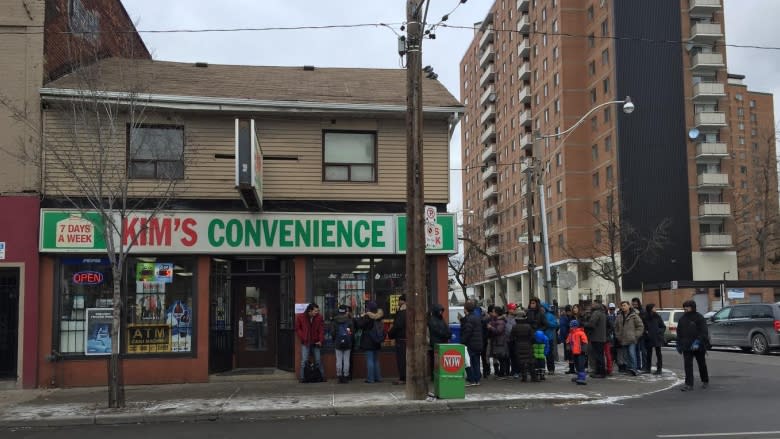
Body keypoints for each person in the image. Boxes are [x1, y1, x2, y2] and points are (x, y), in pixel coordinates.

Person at [676, 300, 710, 391]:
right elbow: (679, 332)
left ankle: (705, 380)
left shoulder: (699, 317)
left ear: (693, 307)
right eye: (684, 307)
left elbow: (704, 332)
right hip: (686, 346)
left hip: (698, 346)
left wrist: (698, 341)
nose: (685, 308)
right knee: (687, 365)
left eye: (687, 306)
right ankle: (689, 384)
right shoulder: (682, 319)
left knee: (701, 364)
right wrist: (678, 344)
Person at [294, 303, 325, 383]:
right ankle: (302, 377)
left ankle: (321, 376)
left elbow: (321, 330)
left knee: (318, 360)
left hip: (316, 341)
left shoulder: (319, 317)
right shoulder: (301, 317)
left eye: (317, 311)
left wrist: (320, 340)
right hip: (306, 341)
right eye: (315, 311)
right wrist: (303, 336)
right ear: (310, 311)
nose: (317, 312)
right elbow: (297, 329)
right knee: (304, 360)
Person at [357, 301, 385, 383]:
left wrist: (361, 317)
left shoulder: (367, 316)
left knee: (369, 360)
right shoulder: (379, 316)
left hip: (368, 340)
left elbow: (360, 325)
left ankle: (370, 378)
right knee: (376, 360)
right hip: (377, 340)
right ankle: (378, 378)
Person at [614, 301, 644, 376]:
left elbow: (640, 326)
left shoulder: (634, 315)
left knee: (631, 354)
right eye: (622, 306)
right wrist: (618, 335)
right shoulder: (619, 316)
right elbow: (616, 327)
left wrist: (636, 335)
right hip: (623, 339)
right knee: (626, 355)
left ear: (629, 306)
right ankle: (628, 369)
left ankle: (634, 369)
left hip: (631, 339)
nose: (623, 307)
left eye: (624, 305)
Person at [461, 300, 484, 386]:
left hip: (470, 344)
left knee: (468, 362)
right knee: (476, 362)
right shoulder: (477, 317)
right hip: (478, 343)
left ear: (466, 309)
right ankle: (477, 379)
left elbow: (467, 332)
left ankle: (472, 379)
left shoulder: (468, 319)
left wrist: (462, 341)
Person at [583, 302, 607, 378]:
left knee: (598, 356)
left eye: (593, 304)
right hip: (601, 337)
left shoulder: (596, 313)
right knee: (600, 355)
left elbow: (591, 324)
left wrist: (583, 323)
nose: (591, 305)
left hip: (596, 337)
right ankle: (600, 371)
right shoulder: (602, 313)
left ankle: (600, 372)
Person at [428, 303, 452, 377]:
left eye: (442, 311)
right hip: (435, 344)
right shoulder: (432, 320)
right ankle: (434, 376)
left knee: (441, 360)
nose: (441, 312)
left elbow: (446, 328)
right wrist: (446, 335)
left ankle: (440, 374)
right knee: (435, 361)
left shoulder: (441, 319)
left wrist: (449, 334)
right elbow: (437, 331)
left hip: (443, 343)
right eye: (439, 311)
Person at [333, 305, 355, 383]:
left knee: (338, 361)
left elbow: (333, 333)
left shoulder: (335, 320)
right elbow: (352, 333)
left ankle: (339, 377)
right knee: (346, 360)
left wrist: (335, 339)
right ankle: (346, 376)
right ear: (346, 311)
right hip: (347, 342)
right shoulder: (349, 321)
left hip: (338, 342)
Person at [510, 310, 534, 381]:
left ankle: (524, 377)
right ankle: (533, 377)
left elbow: (511, 337)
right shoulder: (528, 326)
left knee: (521, 362)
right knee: (530, 361)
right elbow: (532, 337)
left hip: (518, 345)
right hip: (528, 345)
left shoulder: (515, 327)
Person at [388, 294, 407, 385]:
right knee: (406, 359)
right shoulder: (412, 311)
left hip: (401, 339)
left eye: (399, 300)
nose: (398, 302)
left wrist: (390, 334)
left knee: (401, 359)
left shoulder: (402, 313)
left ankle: (403, 378)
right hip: (408, 339)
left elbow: (397, 325)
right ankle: (406, 377)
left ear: (403, 301)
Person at [487, 306, 509, 378]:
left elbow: (498, 331)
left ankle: (502, 373)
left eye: (493, 312)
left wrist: (491, 327)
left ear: (497, 313)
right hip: (497, 341)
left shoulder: (501, 321)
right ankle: (501, 372)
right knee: (500, 357)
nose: (492, 313)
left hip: (500, 341)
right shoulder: (495, 320)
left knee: (502, 357)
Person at [644, 303, 666, 375]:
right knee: (648, 354)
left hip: (657, 338)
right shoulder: (645, 317)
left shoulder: (657, 317)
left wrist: (659, 331)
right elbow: (643, 327)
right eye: (654, 307)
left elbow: (663, 326)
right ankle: (648, 368)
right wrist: (646, 332)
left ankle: (659, 369)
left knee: (658, 354)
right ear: (650, 309)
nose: (655, 309)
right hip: (649, 338)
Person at [566, 320, 589, 385]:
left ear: (576, 326)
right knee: (577, 365)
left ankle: (582, 378)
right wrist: (568, 347)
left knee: (581, 365)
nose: (571, 328)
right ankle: (579, 377)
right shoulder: (570, 334)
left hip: (581, 352)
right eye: (570, 326)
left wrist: (583, 350)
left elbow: (585, 342)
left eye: (572, 326)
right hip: (574, 352)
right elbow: (568, 341)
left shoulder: (581, 333)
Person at [541, 302, 559, 374]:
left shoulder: (550, 316)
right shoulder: (538, 315)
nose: (541, 309)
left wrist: (548, 324)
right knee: (540, 354)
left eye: (542, 307)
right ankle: (541, 369)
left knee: (549, 355)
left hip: (549, 338)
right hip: (540, 338)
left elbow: (556, 325)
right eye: (540, 307)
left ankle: (551, 369)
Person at [632, 297, 648, 370]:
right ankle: (638, 365)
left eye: (636, 302)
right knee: (636, 351)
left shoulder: (643, 311)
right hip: (634, 334)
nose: (634, 304)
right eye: (633, 303)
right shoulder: (631, 311)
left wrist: (638, 315)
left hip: (642, 334)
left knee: (643, 351)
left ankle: (645, 366)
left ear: (638, 303)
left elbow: (644, 322)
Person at [559, 305, 574, 374]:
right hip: (569, 337)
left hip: (568, 337)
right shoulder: (566, 317)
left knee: (570, 353)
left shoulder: (565, 317)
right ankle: (572, 368)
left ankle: (572, 368)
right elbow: (563, 329)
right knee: (570, 353)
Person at [606, 303, 617, 375]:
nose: (612, 310)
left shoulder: (617, 316)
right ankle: (610, 367)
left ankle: (612, 366)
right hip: (609, 337)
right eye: (611, 309)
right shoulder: (607, 316)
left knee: (614, 352)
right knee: (609, 352)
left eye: (613, 309)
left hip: (615, 336)